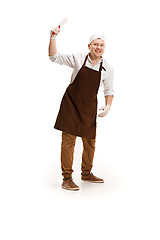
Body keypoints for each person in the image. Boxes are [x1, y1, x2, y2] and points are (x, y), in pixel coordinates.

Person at [48, 26, 114, 191]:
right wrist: (53, 38)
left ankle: (86, 173)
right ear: (89, 46)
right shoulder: (78, 58)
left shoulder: (108, 68)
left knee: (90, 142)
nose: (98, 47)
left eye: (101, 45)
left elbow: (109, 90)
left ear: (104, 48)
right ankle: (67, 178)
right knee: (68, 142)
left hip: (89, 107)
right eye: (95, 44)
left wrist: (108, 105)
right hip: (71, 104)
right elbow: (54, 57)